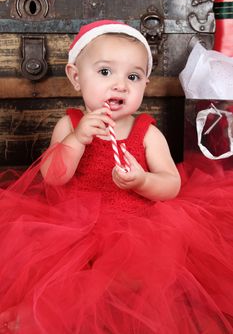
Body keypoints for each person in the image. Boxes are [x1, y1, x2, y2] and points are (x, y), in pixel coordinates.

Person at [0, 20, 233, 334]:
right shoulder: (70, 125)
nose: (120, 85)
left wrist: (142, 181)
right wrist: (77, 140)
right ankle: (43, 312)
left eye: (133, 76)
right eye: (105, 72)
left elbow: (171, 185)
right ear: (76, 77)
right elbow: (53, 177)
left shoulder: (147, 132)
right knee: (68, 277)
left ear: (145, 85)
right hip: (74, 228)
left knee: (140, 275)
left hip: (137, 225)